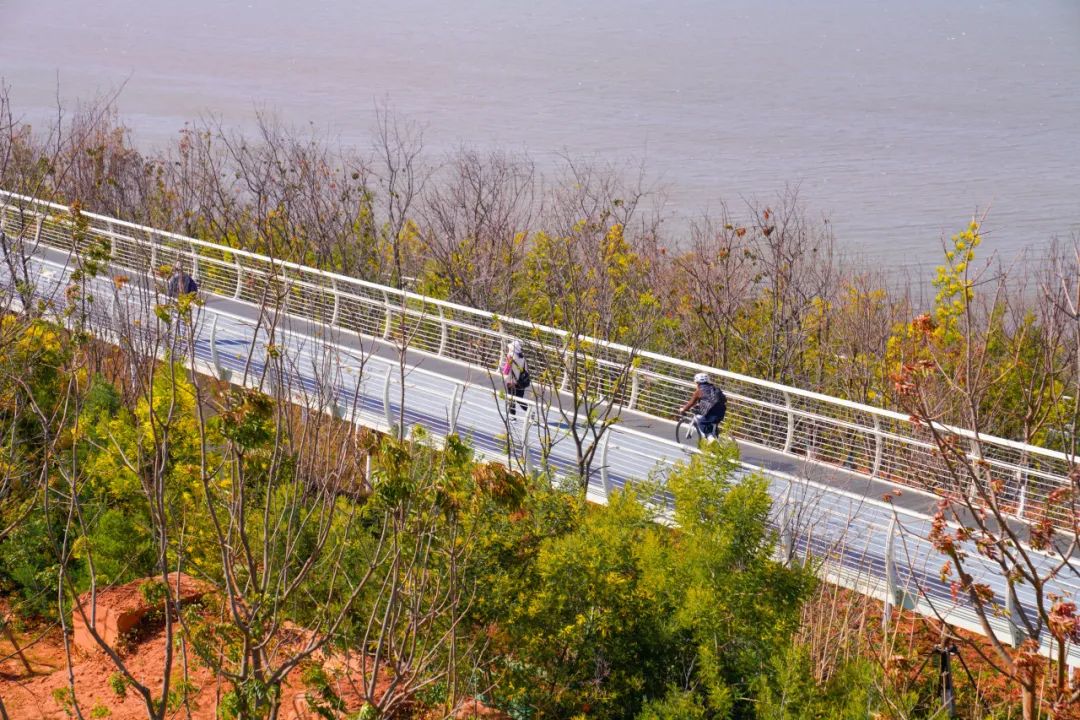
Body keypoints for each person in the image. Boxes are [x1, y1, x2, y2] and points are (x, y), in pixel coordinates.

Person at [677, 372, 726, 440]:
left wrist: (683, 409)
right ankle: (716, 442)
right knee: (712, 425)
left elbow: (691, 403)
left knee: (701, 422)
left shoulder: (699, 391)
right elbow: (712, 400)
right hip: (722, 411)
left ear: (697, 382)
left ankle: (711, 440)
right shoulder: (714, 388)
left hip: (712, 412)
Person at [501, 339, 531, 417]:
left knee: (511, 399)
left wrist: (505, 378)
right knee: (520, 399)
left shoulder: (510, 357)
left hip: (512, 382)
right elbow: (526, 370)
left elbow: (506, 370)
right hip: (521, 382)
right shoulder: (523, 358)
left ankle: (512, 416)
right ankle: (529, 412)